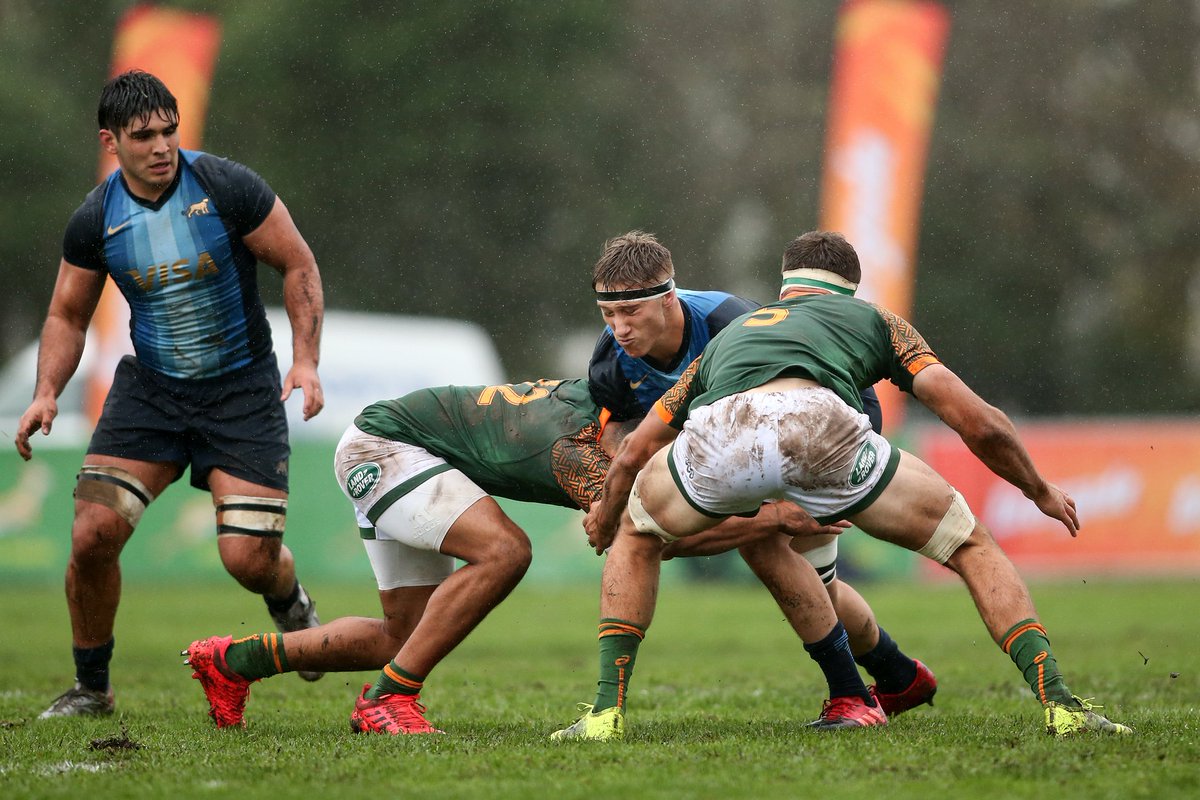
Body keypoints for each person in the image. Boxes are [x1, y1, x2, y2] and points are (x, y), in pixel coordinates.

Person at [559, 230, 1131, 740]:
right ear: (848, 290)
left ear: (786, 288)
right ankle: (1060, 704)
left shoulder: (737, 330)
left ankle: (606, 714)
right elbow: (979, 422)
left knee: (639, 536)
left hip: (725, 432)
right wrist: (1038, 490)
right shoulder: (875, 319)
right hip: (823, 429)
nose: (619, 327)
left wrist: (610, 520)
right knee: (969, 544)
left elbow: (636, 448)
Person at [182, 378, 852, 734]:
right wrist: (774, 520)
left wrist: (765, 517)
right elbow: (654, 539)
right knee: (506, 553)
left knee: (401, 636)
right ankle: (388, 701)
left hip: (404, 444)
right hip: (386, 447)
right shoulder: (584, 452)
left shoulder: (608, 415)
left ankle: (231, 661)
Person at [14, 70, 327, 718]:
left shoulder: (226, 187)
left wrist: (306, 361)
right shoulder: (97, 217)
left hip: (241, 391)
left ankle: (289, 597)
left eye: (169, 131)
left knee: (247, 559)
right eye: (143, 135)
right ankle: (91, 688)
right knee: (93, 534)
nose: (161, 146)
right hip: (152, 394)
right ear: (111, 141)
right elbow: (67, 316)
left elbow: (297, 262)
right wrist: (47, 392)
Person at [584, 231, 935, 727]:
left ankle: (856, 694)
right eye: (608, 315)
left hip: (803, 448)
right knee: (801, 575)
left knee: (772, 550)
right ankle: (896, 676)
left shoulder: (732, 322)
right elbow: (618, 431)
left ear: (669, 299)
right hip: (717, 463)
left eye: (631, 313)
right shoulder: (609, 357)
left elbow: (850, 394)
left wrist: (832, 491)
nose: (619, 328)